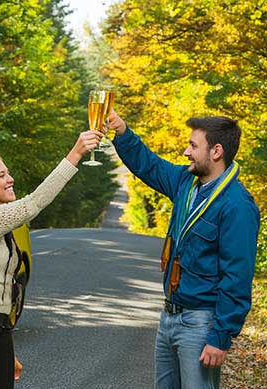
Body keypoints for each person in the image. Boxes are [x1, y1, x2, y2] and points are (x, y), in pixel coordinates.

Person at [108, 111, 260, 388]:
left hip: (201, 325)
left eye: (193, 145)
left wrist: (221, 337)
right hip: (169, 316)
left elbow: (237, 277)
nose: (185, 151)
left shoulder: (237, 205)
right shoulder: (185, 182)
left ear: (216, 151)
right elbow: (149, 166)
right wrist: (122, 131)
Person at [0, 130, 101, 389]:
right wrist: (76, 153)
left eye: (8, 173)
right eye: (2, 175)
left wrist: (2, 351)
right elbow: (35, 203)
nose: (10, 179)